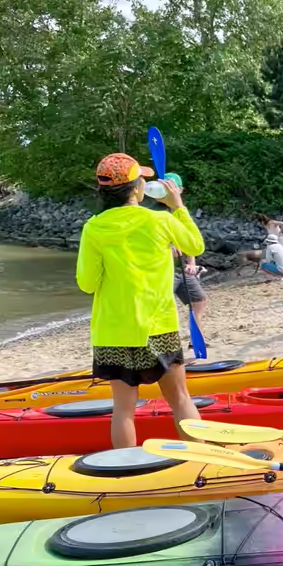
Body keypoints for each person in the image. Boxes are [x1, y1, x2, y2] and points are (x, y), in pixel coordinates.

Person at [76, 153, 205, 449]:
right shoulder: (160, 220)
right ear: (136, 188)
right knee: (181, 399)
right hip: (157, 326)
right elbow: (195, 245)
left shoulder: (94, 227)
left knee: (123, 409)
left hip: (113, 331)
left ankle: (126, 474)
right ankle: (203, 463)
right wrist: (178, 207)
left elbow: (86, 283)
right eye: (142, 179)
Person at [162, 173, 208, 342]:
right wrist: (169, 249)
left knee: (200, 300)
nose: (170, 191)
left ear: (180, 190)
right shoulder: (156, 212)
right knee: (162, 308)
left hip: (182, 270)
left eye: (173, 187)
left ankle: (196, 339)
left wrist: (192, 264)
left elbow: (191, 240)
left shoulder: (180, 212)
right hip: (164, 270)